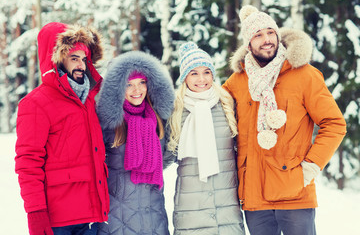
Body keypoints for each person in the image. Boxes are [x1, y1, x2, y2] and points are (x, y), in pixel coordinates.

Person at [222, 5, 347, 235]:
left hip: (295, 196)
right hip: (254, 198)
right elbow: (214, 111)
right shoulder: (237, 81)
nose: (266, 39)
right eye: (258, 35)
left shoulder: (304, 74)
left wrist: (309, 168)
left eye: (270, 32)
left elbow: (335, 124)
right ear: (248, 44)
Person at [15, 22, 109, 235]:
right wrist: (35, 211)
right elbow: (28, 162)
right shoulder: (36, 103)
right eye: (74, 58)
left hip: (93, 217)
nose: (81, 66)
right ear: (56, 59)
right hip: (59, 221)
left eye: (84, 59)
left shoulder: (92, 99)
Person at [164, 42, 245, 234]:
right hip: (191, 206)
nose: (202, 79)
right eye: (194, 73)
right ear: (184, 78)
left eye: (206, 72)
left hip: (227, 205)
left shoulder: (226, 104)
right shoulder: (174, 110)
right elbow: (164, 155)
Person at [96, 51, 175, 235]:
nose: (136, 90)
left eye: (142, 83)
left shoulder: (158, 119)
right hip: (117, 218)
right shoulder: (108, 122)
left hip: (153, 215)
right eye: (128, 84)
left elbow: (169, 154)